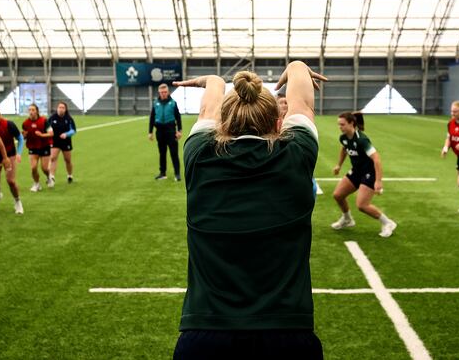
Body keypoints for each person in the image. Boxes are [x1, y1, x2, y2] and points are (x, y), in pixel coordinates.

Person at [171, 62, 326, 359]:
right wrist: (295, 67)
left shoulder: (199, 156)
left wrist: (215, 81)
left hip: (205, 341)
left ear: (222, 126)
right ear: (279, 124)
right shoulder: (297, 154)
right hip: (288, 338)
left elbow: (207, 112)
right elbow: (303, 104)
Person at [330, 112, 396, 237]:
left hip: (369, 173)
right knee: (338, 195)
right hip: (356, 171)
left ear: (351, 123)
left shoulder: (362, 140)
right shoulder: (343, 137)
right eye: (339, 125)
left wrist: (378, 181)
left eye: (342, 124)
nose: (340, 127)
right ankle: (347, 219)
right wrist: (339, 165)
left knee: (362, 205)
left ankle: (388, 223)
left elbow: (377, 159)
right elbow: (344, 149)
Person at [0, 104, 25, 214]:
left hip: (9, 155)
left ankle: (17, 201)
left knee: (11, 181)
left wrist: (19, 153)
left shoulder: (9, 125)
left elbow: (20, 138)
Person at [148, 83, 182, 181]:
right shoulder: (155, 103)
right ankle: (163, 173)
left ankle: (177, 174)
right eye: (161, 92)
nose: (163, 93)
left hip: (171, 131)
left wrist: (179, 130)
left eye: (165, 92)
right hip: (160, 131)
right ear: (159, 92)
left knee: (174, 153)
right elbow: (152, 118)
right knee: (162, 153)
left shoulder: (173, 103)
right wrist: (150, 132)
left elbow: (178, 117)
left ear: (168, 92)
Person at [22, 104, 53, 192]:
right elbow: (24, 136)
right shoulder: (25, 123)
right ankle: (36, 184)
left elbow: (51, 133)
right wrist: (24, 136)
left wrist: (42, 135)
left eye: (33, 110)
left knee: (44, 168)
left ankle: (48, 177)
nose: (31, 112)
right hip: (33, 147)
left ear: (37, 111)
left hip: (44, 147)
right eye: (29, 110)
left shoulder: (44, 121)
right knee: (33, 167)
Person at [48, 101, 76, 185]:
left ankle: (70, 175)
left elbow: (73, 130)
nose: (61, 109)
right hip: (55, 140)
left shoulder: (69, 119)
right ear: (57, 108)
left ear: (65, 109)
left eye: (63, 108)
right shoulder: (52, 118)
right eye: (59, 107)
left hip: (65, 141)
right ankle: (51, 176)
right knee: (53, 158)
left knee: (67, 160)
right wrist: (48, 132)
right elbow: (47, 127)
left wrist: (66, 134)